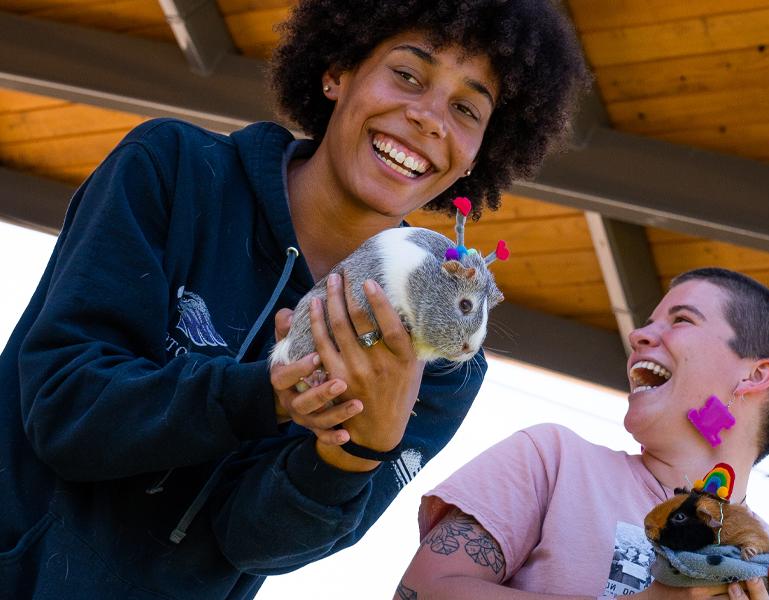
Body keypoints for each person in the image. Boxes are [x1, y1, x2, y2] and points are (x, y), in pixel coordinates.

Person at [0, 1, 588, 598]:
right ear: (336, 71)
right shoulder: (174, 169)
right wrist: (266, 393)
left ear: (477, 156)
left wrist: (357, 452)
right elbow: (65, 411)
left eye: (466, 108)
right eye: (408, 74)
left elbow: (254, 545)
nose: (430, 117)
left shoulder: (440, 362)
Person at [398, 268, 769, 600]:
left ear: (755, 376)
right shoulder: (552, 460)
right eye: (650, 322)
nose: (638, 335)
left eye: (681, 320)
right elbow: (419, 593)